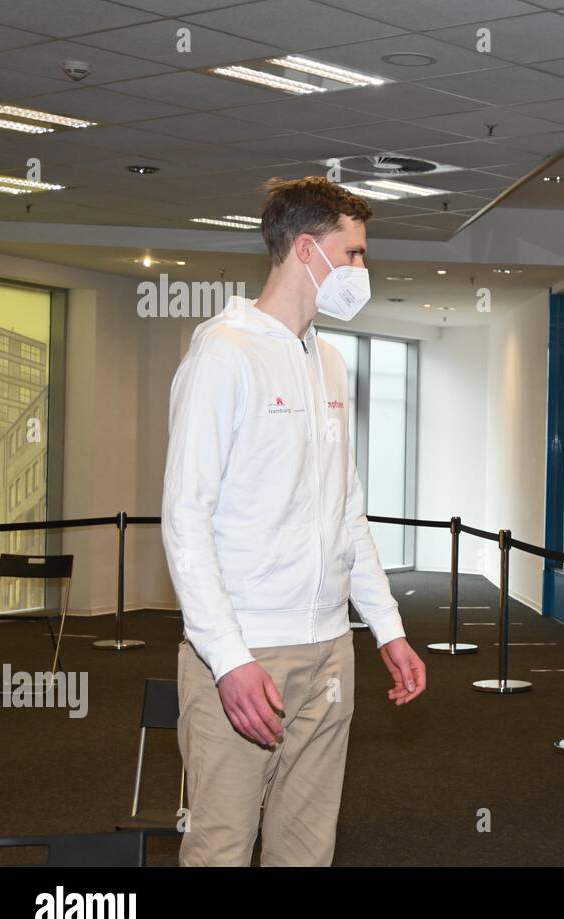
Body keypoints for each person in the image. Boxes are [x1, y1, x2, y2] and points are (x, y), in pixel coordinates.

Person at [162, 176, 426, 866]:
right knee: (220, 846)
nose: (363, 271)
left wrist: (387, 629)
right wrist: (228, 660)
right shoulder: (224, 353)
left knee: (307, 851)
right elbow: (186, 518)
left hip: (328, 649)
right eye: (356, 253)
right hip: (249, 655)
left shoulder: (330, 363)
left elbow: (347, 512)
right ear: (307, 250)